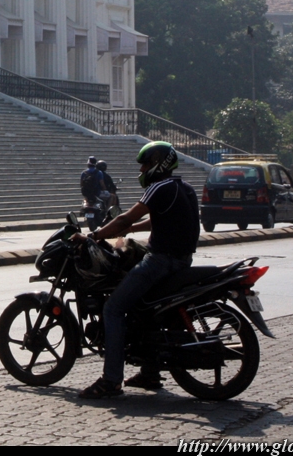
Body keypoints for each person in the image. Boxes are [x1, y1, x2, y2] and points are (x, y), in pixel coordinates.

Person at [72, 141, 200, 399]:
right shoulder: (183, 187)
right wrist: (130, 230)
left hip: (161, 261)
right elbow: (157, 220)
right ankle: (150, 372)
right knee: (147, 310)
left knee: (114, 308)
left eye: (145, 164)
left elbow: (124, 217)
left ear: (158, 164)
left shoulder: (159, 187)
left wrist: (94, 236)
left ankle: (111, 381)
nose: (141, 170)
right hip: (182, 260)